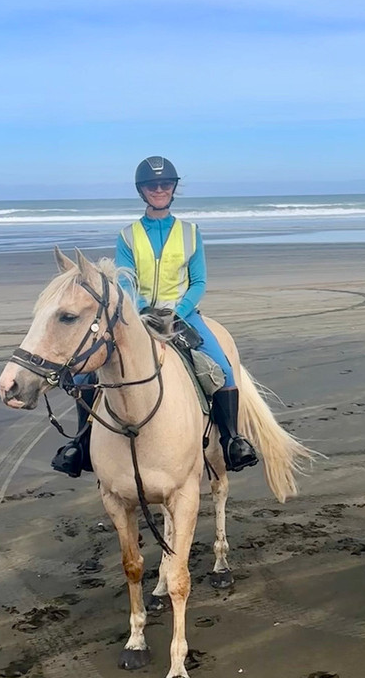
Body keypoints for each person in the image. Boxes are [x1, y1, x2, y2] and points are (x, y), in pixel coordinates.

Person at [51, 155, 258, 476]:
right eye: (152, 185)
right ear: (142, 191)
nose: (159, 190)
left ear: (173, 189)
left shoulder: (191, 232)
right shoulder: (128, 235)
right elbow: (124, 278)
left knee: (225, 370)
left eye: (165, 184)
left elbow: (199, 281)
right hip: (138, 316)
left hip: (184, 316)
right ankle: (81, 442)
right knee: (82, 373)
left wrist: (178, 312)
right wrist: (143, 310)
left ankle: (232, 441)